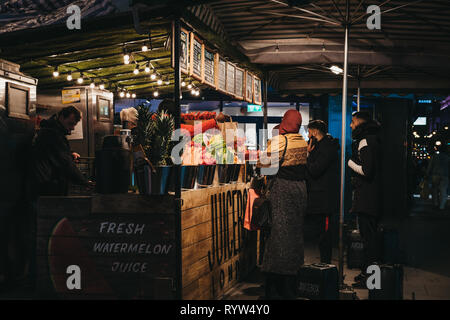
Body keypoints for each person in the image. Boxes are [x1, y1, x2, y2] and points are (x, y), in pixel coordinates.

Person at [257, 110, 308, 299]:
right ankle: (290, 285)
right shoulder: (302, 141)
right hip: (300, 191)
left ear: (285, 121)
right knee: (294, 236)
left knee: (278, 237)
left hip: (282, 192)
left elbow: (264, 165)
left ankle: (275, 290)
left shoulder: (280, 141)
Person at [347, 111, 382, 287]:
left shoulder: (364, 141)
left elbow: (367, 171)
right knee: (371, 239)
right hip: (374, 197)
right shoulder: (375, 138)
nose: (351, 125)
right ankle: (367, 276)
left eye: (353, 122)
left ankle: (370, 280)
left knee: (369, 240)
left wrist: (350, 163)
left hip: (367, 199)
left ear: (360, 122)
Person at [30, 106, 91, 197]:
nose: (73, 128)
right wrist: (84, 182)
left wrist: (70, 154)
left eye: (74, 125)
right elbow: (65, 162)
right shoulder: (52, 134)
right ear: (62, 117)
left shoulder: (52, 130)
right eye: (70, 124)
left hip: (45, 183)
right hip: (48, 185)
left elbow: (56, 153)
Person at [305, 120, 340, 264]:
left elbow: (315, 169)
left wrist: (307, 157)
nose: (308, 135)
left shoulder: (326, 148)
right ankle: (323, 263)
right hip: (319, 196)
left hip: (323, 198)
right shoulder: (320, 146)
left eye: (309, 132)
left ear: (314, 132)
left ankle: (325, 263)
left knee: (324, 233)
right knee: (320, 233)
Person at [426, 145, 449, 211]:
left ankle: (435, 203)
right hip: (445, 175)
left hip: (435, 174)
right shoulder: (447, 157)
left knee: (434, 190)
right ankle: (442, 206)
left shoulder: (434, 156)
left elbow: (430, 165)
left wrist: (427, 173)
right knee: (443, 191)